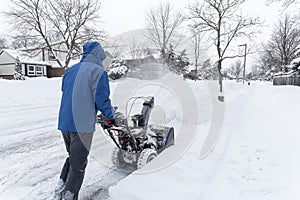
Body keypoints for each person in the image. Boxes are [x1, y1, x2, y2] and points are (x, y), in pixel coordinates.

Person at [54, 41, 116, 200]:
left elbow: (68, 92)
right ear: (98, 55)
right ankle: (69, 196)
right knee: (79, 165)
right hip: (81, 125)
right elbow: (102, 99)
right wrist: (111, 117)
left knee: (72, 157)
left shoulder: (70, 71)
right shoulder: (98, 72)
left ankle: (60, 190)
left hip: (64, 123)